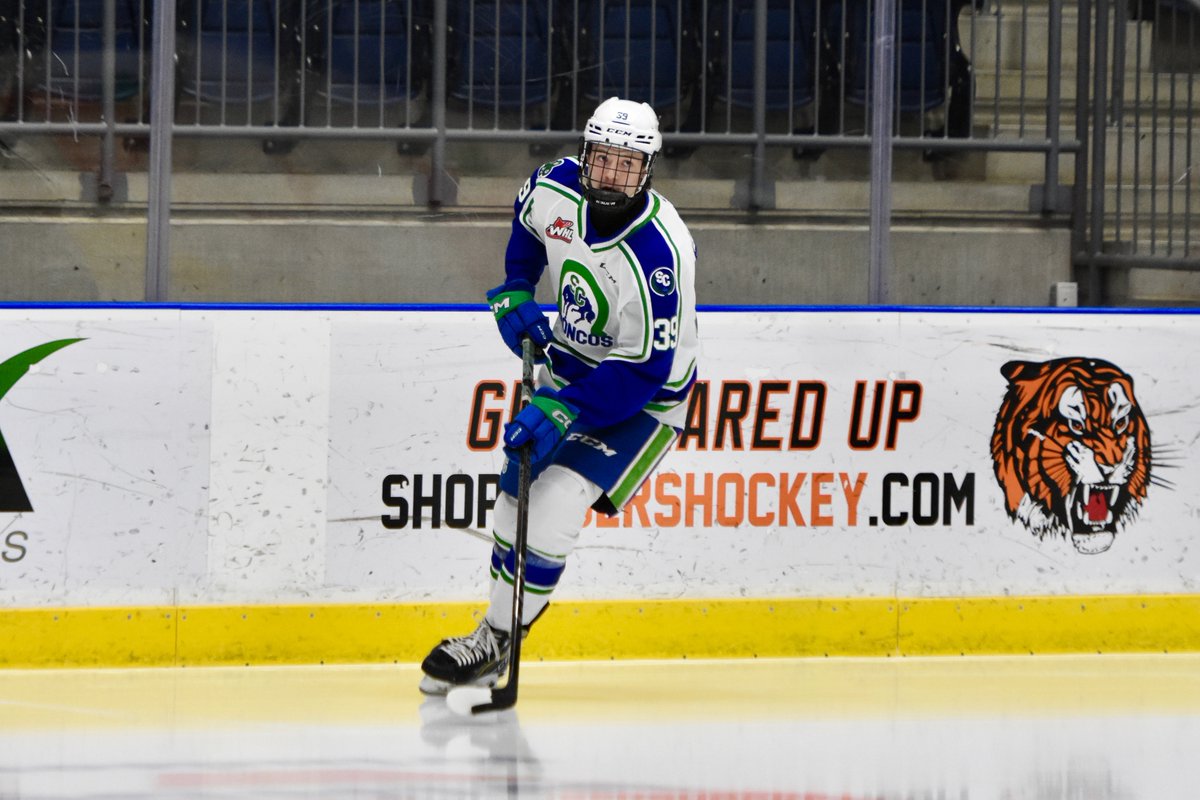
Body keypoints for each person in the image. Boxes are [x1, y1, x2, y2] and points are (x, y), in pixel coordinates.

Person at [419, 97, 700, 695]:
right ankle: (495, 635)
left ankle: (494, 640)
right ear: (586, 153)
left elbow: (647, 368)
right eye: (604, 158)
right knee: (514, 493)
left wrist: (566, 406)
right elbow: (528, 227)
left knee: (556, 500)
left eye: (629, 164)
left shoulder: (660, 254)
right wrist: (518, 287)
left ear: (647, 169)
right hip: (569, 368)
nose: (613, 174)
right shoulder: (555, 186)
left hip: (643, 397)